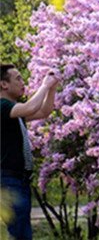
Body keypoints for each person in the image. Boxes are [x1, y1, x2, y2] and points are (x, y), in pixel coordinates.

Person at [1, 64, 58, 240]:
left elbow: (44, 111)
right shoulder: (2, 106)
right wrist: (44, 85)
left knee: (23, 232)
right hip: (8, 179)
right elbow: (30, 108)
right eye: (18, 78)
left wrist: (52, 87)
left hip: (19, 179)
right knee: (19, 234)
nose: (22, 82)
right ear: (4, 84)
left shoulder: (13, 109)